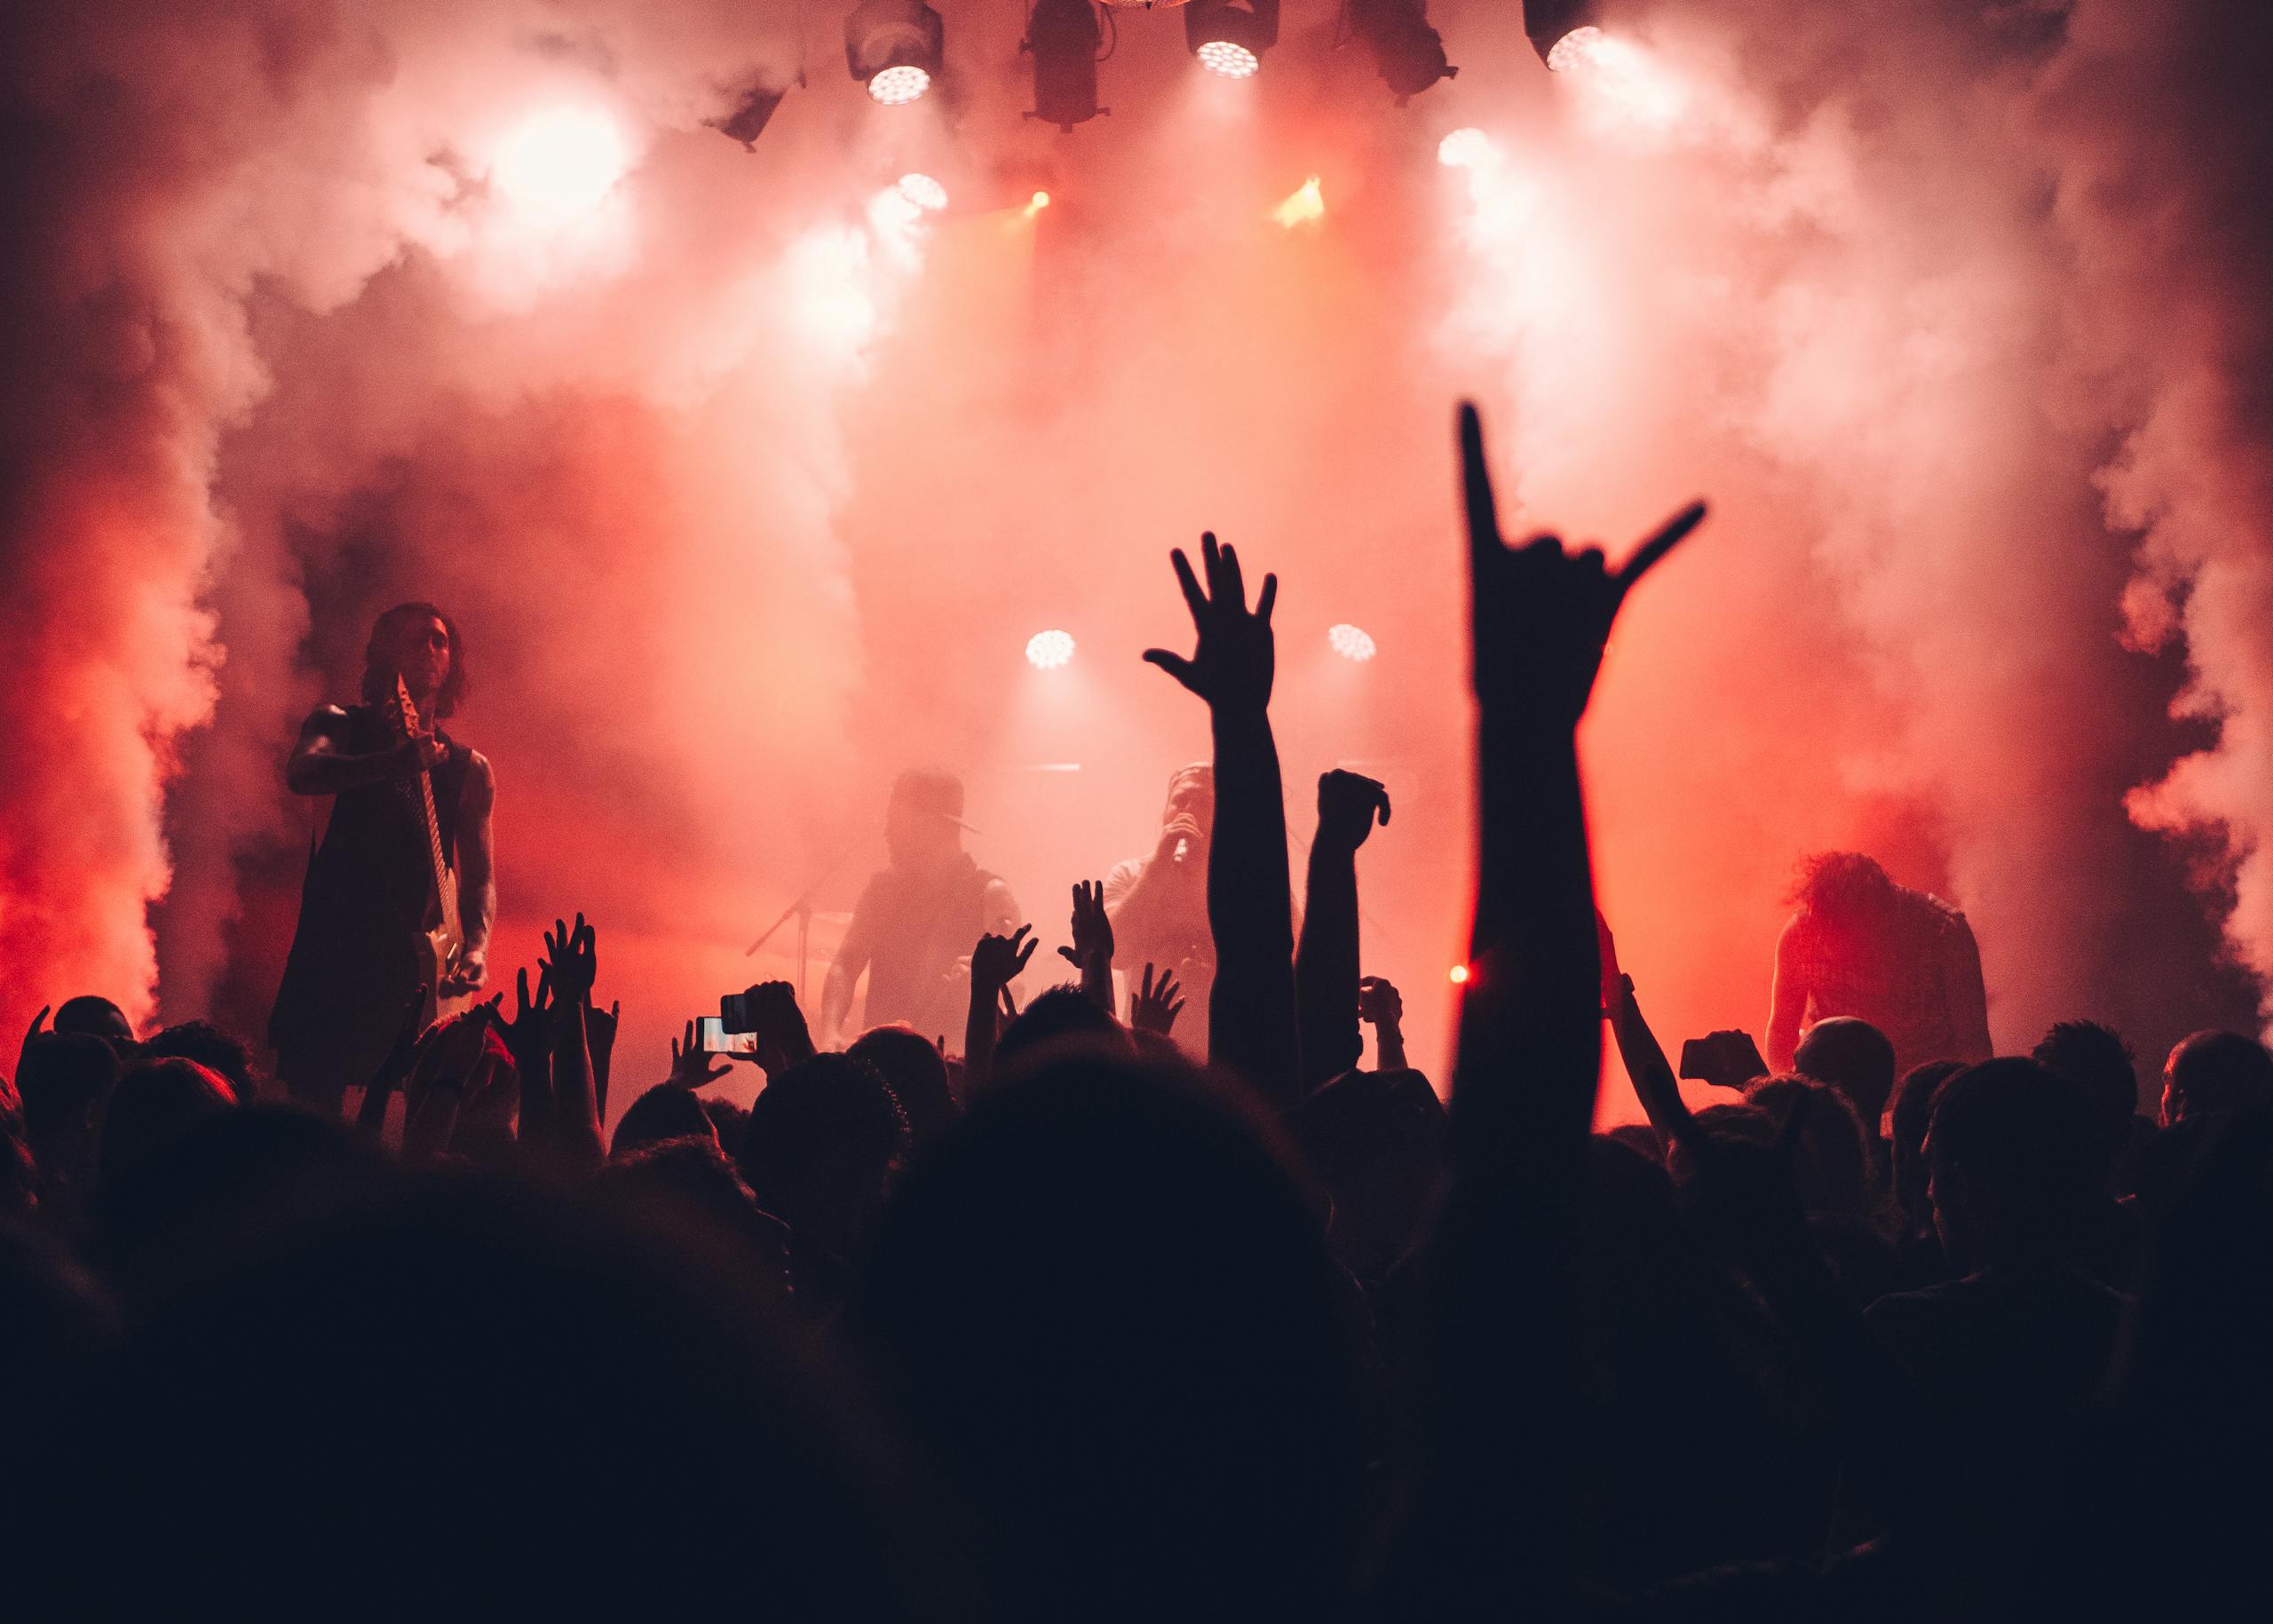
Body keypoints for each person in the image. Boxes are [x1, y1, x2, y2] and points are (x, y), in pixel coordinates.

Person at [267, 603, 495, 1113]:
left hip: (417, 971)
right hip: (334, 954)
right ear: (382, 653)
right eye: (414, 639)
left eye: (439, 640)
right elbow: (303, 773)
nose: (430, 650)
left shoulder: (470, 769)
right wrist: (391, 763)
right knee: (312, 1112)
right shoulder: (340, 724)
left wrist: (476, 947)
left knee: (413, 1114)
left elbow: (479, 878)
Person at [820, 770, 1018, 1048]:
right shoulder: (882, 889)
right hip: (880, 1065)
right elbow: (845, 964)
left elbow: (1015, 989)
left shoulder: (990, 894)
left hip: (954, 1070)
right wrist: (830, 1034)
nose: (886, 832)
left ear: (928, 824)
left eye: (895, 820)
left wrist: (983, 979)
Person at [1766, 852, 1991, 1076]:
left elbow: (1972, 1042)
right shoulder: (1800, 932)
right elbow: (1782, 1033)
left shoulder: (1943, 932)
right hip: (1835, 1091)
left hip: (1923, 1089)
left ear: (1879, 916)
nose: (1825, 944)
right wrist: (1789, 1098)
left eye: (1842, 933)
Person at [1103, 764, 1217, 1049]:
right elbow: (1114, 953)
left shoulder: (1246, 884)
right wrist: (1159, 864)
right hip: (1146, 1049)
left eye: (1204, 803)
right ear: (1165, 810)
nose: (1188, 811)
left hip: (1222, 1051)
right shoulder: (1129, 874)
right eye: (1180, 801)